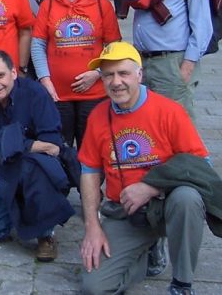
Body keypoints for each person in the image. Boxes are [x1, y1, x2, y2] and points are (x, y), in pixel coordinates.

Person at [78, 41, 211, 295]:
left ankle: (182, 283)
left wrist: (151, 186)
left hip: (166, 205)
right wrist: (92, 227)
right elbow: (89, 171)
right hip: (126, 212)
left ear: (140, 74)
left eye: (123, 73)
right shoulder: (97, 116)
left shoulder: (169, 111)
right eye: (108, 75)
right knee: (93, 287)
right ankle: (144, 253)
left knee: (188, 198)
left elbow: (200, 164)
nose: (116, 82)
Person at [0, 50, 73, 262]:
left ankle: (45, 233)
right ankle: (19, 212)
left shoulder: (36, 94)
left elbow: (52, 147)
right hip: (0, 173)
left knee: (30, 167)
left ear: (13, 72)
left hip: (36, 172)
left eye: (0, 75)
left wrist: (1, 145)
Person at [32, 0, 121, 148]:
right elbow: (38, 45)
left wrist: (98, 73)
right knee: (60, 148)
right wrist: (45, 80)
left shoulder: (102, 5)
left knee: (91, 147)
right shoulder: (49, 5)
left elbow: (114, 47)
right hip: (58, 93)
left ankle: (87, 181)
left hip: (94, 92)